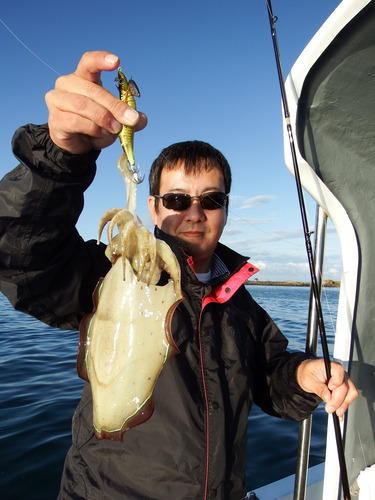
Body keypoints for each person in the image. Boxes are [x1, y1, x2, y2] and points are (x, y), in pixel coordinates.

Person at [0, 51, 358, 500]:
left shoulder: (239, 302)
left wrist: (304, 374)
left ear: (225, 209)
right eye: (176, 200)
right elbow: (22, 255)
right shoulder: (109, 274)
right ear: (153, 207)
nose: (194, 212)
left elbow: (269, 376)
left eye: (210, 200)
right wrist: (57, 158)